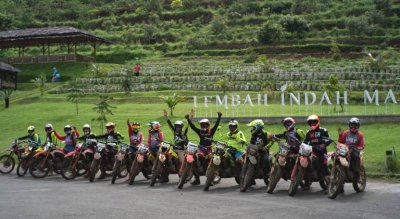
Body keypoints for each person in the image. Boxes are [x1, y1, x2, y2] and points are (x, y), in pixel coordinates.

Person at [185, 111, 222, 185]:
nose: (204, 126)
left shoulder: (211, 131)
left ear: (208, 125)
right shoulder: (200, 131)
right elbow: (193, 127)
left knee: (213, 161)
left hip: (209, 149)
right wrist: (188, 119)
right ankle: (196, 179)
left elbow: (216, 125)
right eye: (202, 125)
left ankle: (212, 178)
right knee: (195, 160)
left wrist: (219, 117)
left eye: (205, 125)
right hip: (201, 149)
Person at [303, 115, 332, 190]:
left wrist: (323, 144)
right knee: (306, 163)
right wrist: (303, 145)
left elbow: (329, 139)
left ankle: (329, 187)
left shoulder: (323, 130)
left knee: (323, 167)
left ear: (317, 122)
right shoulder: (308, 132)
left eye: (314, 122)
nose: (312, 124)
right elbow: (305, 141)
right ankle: (307, 182)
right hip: (312, 151)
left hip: (322, 151)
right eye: (311, 123)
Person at [338, 117, 364, 183]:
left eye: (355, 125)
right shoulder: (345, 133)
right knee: (336, 155)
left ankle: (357, 176)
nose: (353, 127)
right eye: (352, 125)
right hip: (345, 149)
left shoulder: (360, 135)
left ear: (358, 126)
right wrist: (340, 136)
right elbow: (340, 142)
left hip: (354, 150)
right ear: (349, 125)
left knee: (355, 157)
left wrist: (358, 148)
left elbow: (361, 145)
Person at [247, 119, 274, 184]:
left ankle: (267, 174)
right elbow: (252, 142)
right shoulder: (253, 134)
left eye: (253, 127)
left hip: (263, 151)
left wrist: (266, 147)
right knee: (246, 158)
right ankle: (249, 178)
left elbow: (271, 142)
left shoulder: (266, 133)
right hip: (254, 151)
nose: (252, 128)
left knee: (265, 160)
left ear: (258, 127)